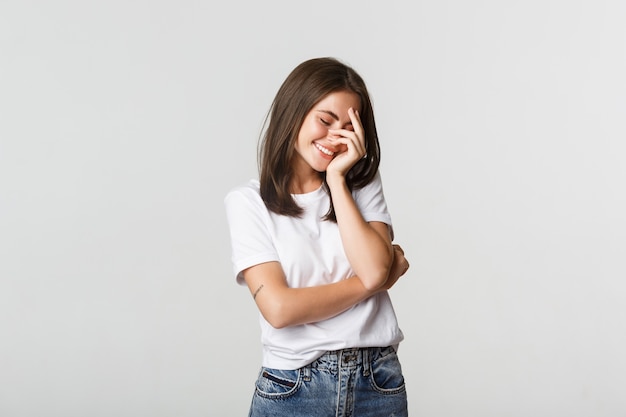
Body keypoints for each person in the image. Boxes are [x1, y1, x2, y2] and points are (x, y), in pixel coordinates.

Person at [224, 57, 410, 417]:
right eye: (325, 121)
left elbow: (371, 267)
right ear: (293, 112)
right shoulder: (248, 203)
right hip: (294, 387)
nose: (334, 138)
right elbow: (278, 309)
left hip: (377, 381)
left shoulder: (361, 185)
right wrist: (377, 281)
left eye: (348, 127)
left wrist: (339, 181)